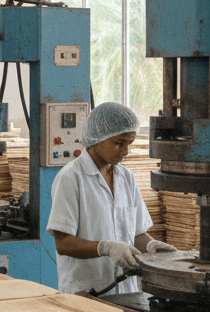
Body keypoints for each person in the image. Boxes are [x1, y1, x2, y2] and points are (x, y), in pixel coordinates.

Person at [47, 102, 176, 296]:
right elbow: (63, 243)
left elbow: (136, 232)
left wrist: (150, 246)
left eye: (129, 144)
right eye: (119, 143)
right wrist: (105, 247)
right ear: (98, 139)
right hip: (86, 292)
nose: (125, 151)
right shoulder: (71, 178)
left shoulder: (127, 178)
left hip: (127, 292)